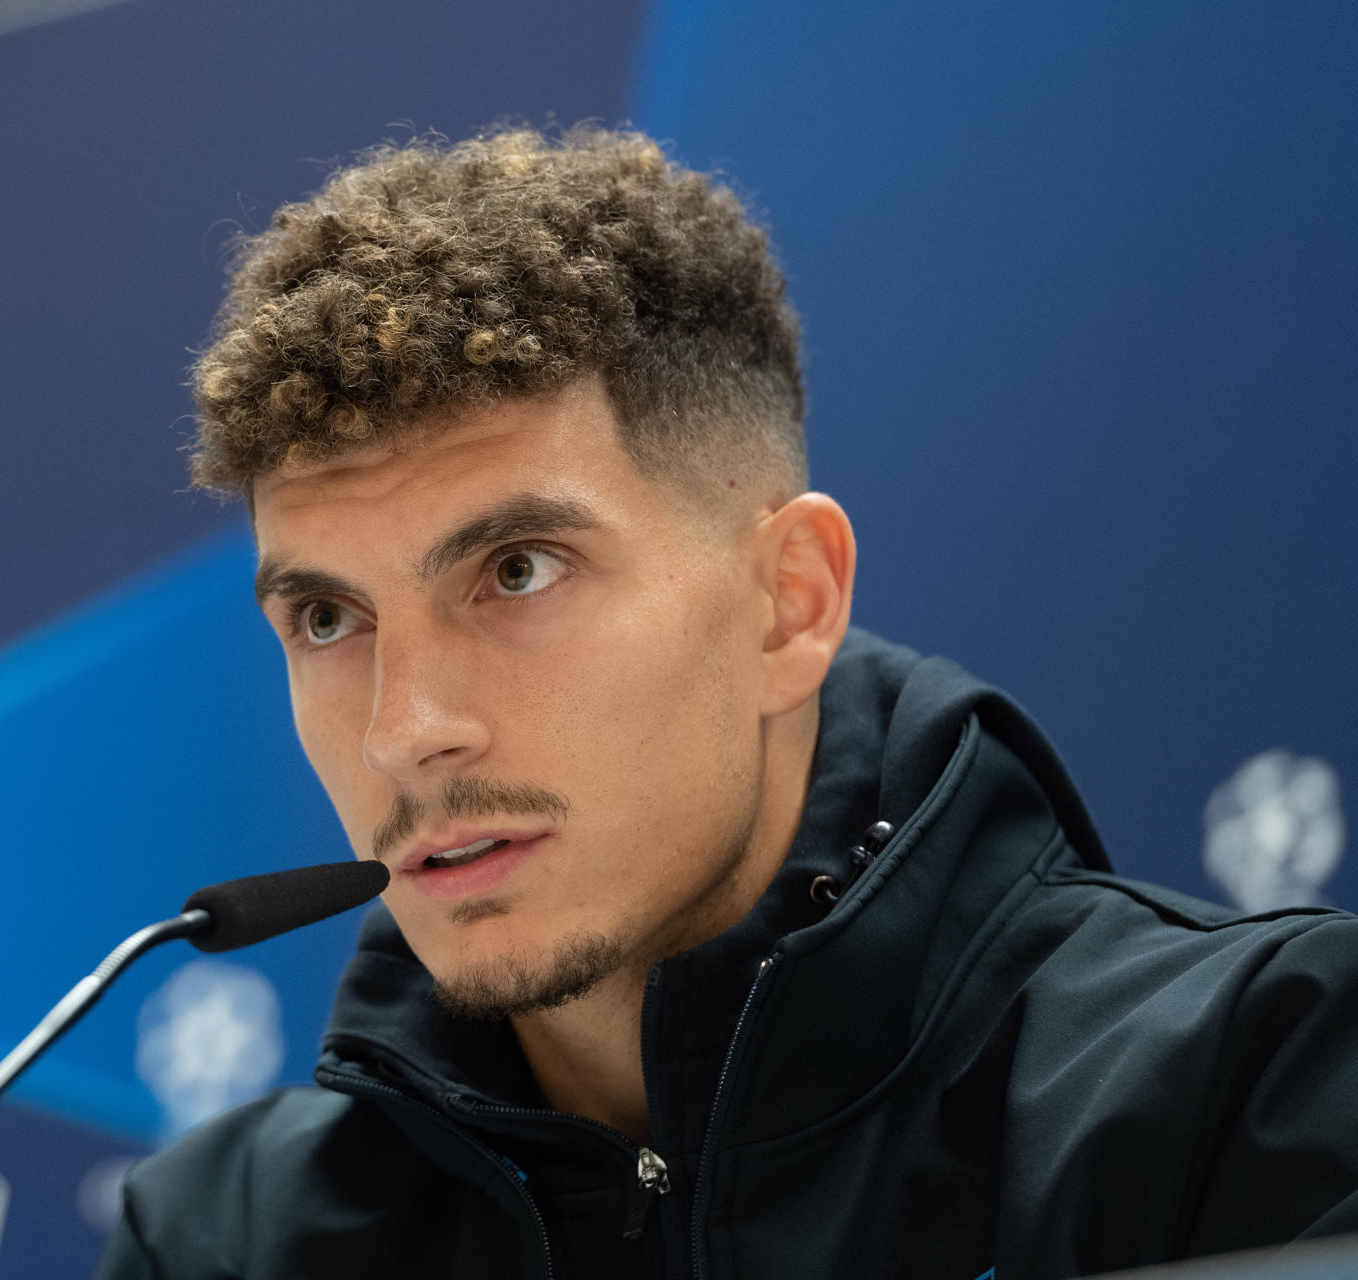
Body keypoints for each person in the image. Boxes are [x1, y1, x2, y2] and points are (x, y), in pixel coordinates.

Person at [97, 125, 1358, 1279]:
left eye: (516, 572)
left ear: (789, 603)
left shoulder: (1256, 1081)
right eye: (328, 617)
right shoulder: (225, 1241)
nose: (404, 728)